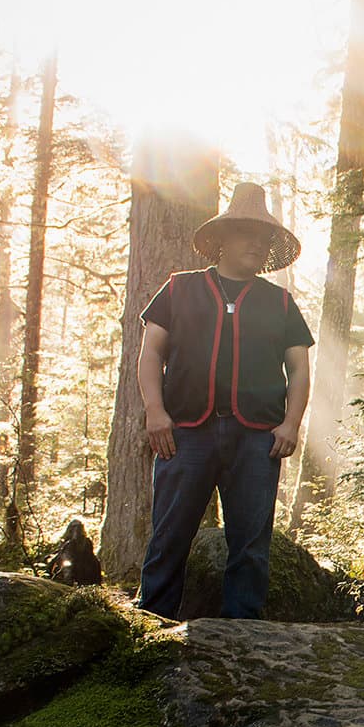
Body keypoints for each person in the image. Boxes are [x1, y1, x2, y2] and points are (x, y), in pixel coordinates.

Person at [135, 181, 314, 619]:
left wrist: (291, 424)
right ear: (223, 238)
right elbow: (150, 353)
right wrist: (156, 413)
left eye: (265, 237)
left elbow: (300, 370)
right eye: (248, 233)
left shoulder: (281, 303)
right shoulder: (179, 289)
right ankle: (151, 628)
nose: (257, 243)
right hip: (185, 433)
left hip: (257, 438)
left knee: (251, 543)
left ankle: (243, 638)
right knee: (169, 536)